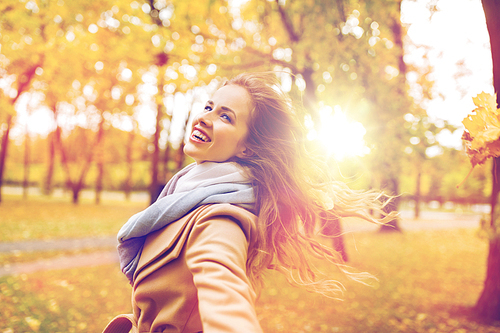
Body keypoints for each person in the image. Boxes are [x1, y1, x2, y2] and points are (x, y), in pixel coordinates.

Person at [102, 72, 394, 333]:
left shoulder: (219, 220)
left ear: (247, 146)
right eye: (209, 107)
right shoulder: (184, 194)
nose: (205, 117)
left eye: (225, 116)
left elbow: (225, 297)